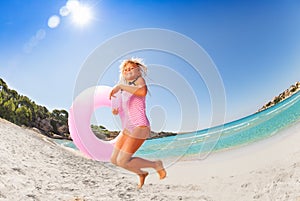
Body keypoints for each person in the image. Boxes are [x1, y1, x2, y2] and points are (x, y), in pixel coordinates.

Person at [109, 58, 166, 189]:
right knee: (114, 160)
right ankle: (141, 173)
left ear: (138, 70)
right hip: (127, 128)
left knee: (122, 160)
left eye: (131, 68)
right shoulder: (123, 91)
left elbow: (142, 92)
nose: (128, 70)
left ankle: (155, 164)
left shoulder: (138, 81)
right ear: (123, 73)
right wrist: (115, 110)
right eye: (125, 69)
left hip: (140, 125)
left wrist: (120, 86)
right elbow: (121, 110)